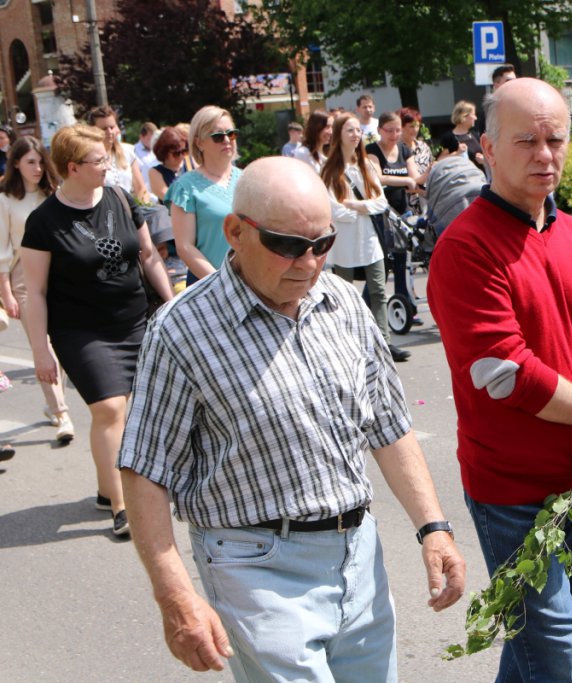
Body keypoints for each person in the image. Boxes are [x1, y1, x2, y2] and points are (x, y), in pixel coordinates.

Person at [118, 156, 465, 680]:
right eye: (287, 246)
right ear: (235, 231)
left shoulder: (344, 305)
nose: (308, 263)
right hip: (253, 565)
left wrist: (433, 529)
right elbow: (145, 469)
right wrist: (174, 594)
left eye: (322, 244)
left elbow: (389, 427)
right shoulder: (182, 330)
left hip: (357, 555)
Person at [428, 77, 572, 683]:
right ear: (488, 149)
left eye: (556, 139)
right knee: (558, 664)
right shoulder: (465, 249)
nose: (545, 154)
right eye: (527, 141)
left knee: (534, 660)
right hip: (513, 495)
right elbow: (504, 373)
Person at [20, 124, 173, 536]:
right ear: (73, 167)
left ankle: (108, 488)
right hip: (82, 332)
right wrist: (40, 350)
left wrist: (173, 304)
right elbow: (34, 292)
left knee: (141, 410)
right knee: (109, 409)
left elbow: (148, 256)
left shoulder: (120, 198)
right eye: (100, 160)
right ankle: (123, 506)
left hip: (136, 321)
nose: (109, 165)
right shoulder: (44, 222)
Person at [0, 136, 75, 443]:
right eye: (30, 161)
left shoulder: (53, 195)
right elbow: (1, 249)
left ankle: (52, 402)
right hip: (23, 276)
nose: (37, 167)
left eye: (41, 161)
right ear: (15, 163)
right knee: (40, 344)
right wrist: (5, 292)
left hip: (59, 273)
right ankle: (61, 412)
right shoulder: (5, 199)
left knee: (63, 342)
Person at [321, 112, 409, 363]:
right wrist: (354, 209)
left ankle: (385, 342)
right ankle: (348, 342)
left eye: (357, 130)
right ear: (339, 135)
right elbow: (331, 207)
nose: (356, 134)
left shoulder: (366, 165)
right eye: (349, 130)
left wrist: (358, 207)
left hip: (370, 237)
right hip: (344, 240)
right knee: (345, 293)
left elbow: (380, 202)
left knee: (379, 289)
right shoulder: (328, 169)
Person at [167, 105, 242, 284]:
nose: (226, 140)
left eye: (231, 134)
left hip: (252, 282)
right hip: (209, 284)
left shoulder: (249, 180)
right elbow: (185, 247)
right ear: (199, 142)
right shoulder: (185, 187)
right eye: (217, 136)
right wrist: (221, 282)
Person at [367, 112, 426, 333]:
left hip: (402, 213)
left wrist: (431, 172)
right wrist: (406, 181)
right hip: (381, 213)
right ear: (380, 130)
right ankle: (371, 307)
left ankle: (405, 306)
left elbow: (416, 178)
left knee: (403, 262)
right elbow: (378, 177)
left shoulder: (404, 150)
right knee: (383, 264)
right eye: (389, 130)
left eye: (397, 130)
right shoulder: (372, 151)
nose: (394, 135)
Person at [85, 106, 148, 201]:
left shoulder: (128, 151)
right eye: (104, 128)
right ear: (92, 130)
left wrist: (141, 209)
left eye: (112, 127)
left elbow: (141, 189)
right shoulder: (88, 157)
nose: (109, 132)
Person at [399, 107, 432, 217]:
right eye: (411, 126)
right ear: (402, 127)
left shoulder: (423, 147)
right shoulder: (396, 149)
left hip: (427, 200)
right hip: (405, 203)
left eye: (417, 125)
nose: (415, 130)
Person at [438, 101, 486, 172]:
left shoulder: (475, 135)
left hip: (481, 179)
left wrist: (484, 160)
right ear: (464, 116)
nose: (475, 118)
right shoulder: (449, 138)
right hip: (463, 179)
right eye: (473, 114)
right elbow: (440, 160)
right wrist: (457, 154)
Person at [148, 127, 189, 203]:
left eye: (184, 151)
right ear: (164, 153)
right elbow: (169, 197)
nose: (181, 156)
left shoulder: (191, 164)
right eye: (176, 153)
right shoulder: (155, 172)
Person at [293, 110, 333, 175]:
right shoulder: (303, 153)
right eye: (327, 127)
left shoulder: (328, 152)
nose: (331, 132)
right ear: (316, 127)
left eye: (332, 127)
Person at [134, 122, 159, 192]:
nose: (152, 142)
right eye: (149, 139)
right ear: (141, 136)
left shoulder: (156, 150)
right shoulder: (134, 151)